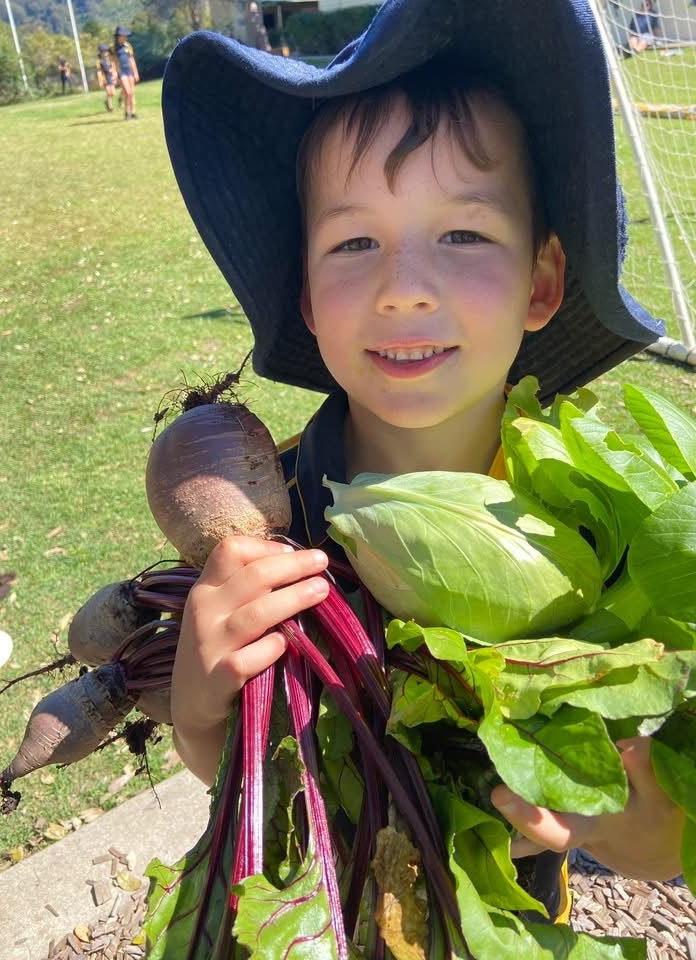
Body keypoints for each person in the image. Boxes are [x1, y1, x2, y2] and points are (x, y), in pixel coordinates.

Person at [159, 0, 682, 927]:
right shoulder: (264, 516)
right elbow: (254, 771)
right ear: (308, 299)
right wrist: (203, 711)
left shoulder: (606, 523)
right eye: (354, 243)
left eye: (465, 235)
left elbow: (659, 845)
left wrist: (617, 820)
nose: (404, 288)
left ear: (544, 282)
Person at [114, 26, 139, 120]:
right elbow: (114, 62)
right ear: (119, 36)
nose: (126, 37)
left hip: (129, 71)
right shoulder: (114, 48)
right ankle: (127, 112)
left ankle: (133, 112)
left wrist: (135, 72)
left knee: (132, 93)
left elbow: (131, 60)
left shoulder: (128, 46)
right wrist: (116, 74)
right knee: (127, 92)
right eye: (124, 35)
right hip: (122, 72)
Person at [96, 43, 118, 113]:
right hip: (105, 78)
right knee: (108, 93)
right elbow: (99, 72)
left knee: (113, 93)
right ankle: (110, 107)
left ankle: (106, 102)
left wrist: (115, 75)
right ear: (100, 53)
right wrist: (100, 81)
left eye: (106, 51)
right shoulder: (99, 62)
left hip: (111, 77)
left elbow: (114, 68)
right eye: (103, 51)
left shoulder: (110, 60)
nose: (105, 53)